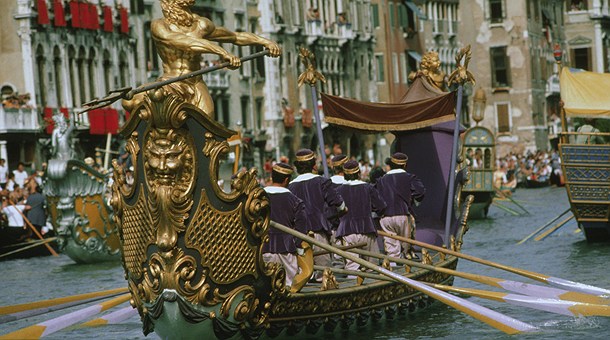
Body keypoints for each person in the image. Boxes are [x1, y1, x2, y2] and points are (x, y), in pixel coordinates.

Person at [123, 0, 281, 116]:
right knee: (132, 102)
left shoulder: (201, 24)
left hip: (195, 81)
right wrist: (221, 52)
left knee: (207, 120)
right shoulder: (159, 26)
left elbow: (235, 36)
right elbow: (186, 43)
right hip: (171, 81)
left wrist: (265, 42)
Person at [289, 149, 347, 281]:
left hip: (300, 236)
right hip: (319, 232)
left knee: (304, 274)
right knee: (324, 274)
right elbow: (338, 203)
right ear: (314, 165)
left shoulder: (291, 186)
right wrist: (343, 209)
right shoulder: (322, 181)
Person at [336, 160, 386, 274]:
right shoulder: (368, 188)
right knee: (372, 268)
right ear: (358, 173)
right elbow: (381, 206)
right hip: (367, 229)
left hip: (347, 232)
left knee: (352, 269)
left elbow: (332, 212)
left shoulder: (338, 190)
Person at [263, 163, 307, 287]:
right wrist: (299, 249)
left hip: (263, 249)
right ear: (287, 180)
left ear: (272, 177)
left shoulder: (259, 196)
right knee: (288, 287)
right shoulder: (295, 201)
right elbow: (301, 229)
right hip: (286, 250)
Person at [375, 152, 425, 260]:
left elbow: (375, 198)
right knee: (406, 247)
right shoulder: (410, 177)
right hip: (403, 215)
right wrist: (411, 197)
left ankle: (394, 267)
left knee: (391, 250)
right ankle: (407, 263)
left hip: (386, 217)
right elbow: (421, 192)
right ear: (405, 165)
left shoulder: (380, 180)